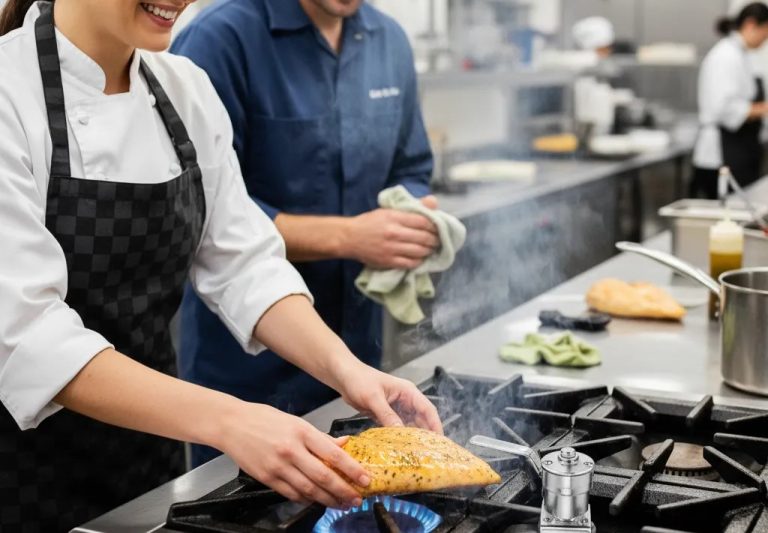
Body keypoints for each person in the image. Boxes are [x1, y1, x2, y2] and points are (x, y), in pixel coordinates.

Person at [0, 0, 442, 529]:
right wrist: (231, 421)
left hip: (156, 450)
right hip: (23, 474)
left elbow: (244, 263)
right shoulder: (9, 92)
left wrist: (348, 370)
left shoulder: (183, 87)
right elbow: (28, 336)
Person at [171, 0, 439, 467]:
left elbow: (411, 168)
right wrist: (349, 237)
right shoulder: (221, 38)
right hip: (246, 370)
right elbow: (209, 214)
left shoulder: (388, 40)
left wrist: (409, 216)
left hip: (357, 352)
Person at [692, 2, 768, 199]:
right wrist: (763, 109)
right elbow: (725, 110)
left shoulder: (742, 55)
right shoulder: (725, 56)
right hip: (722, 154)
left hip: (739, 150)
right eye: (765, 32)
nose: (766, 39)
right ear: (751, 24)